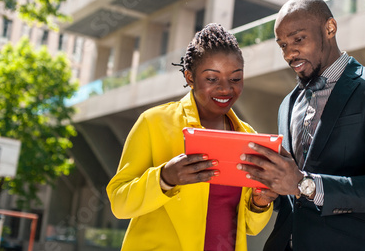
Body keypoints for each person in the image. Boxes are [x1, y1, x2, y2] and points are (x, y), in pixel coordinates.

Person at [237, 0, 365, 250]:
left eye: (298, 39)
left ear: (330, 28)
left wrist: (304, 184)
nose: (289, 53)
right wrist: (267, 193)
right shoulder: (287, 104)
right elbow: (293, 195)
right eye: (282, 45)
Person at [106, 23, 277, 251]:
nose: (225, 89)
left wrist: (260, 202)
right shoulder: (153, 122)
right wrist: (165, 178)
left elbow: (249, 227)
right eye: (212, 79)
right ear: (189, 77)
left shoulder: (248, 136)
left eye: (235, 79)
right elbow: (119, 203)